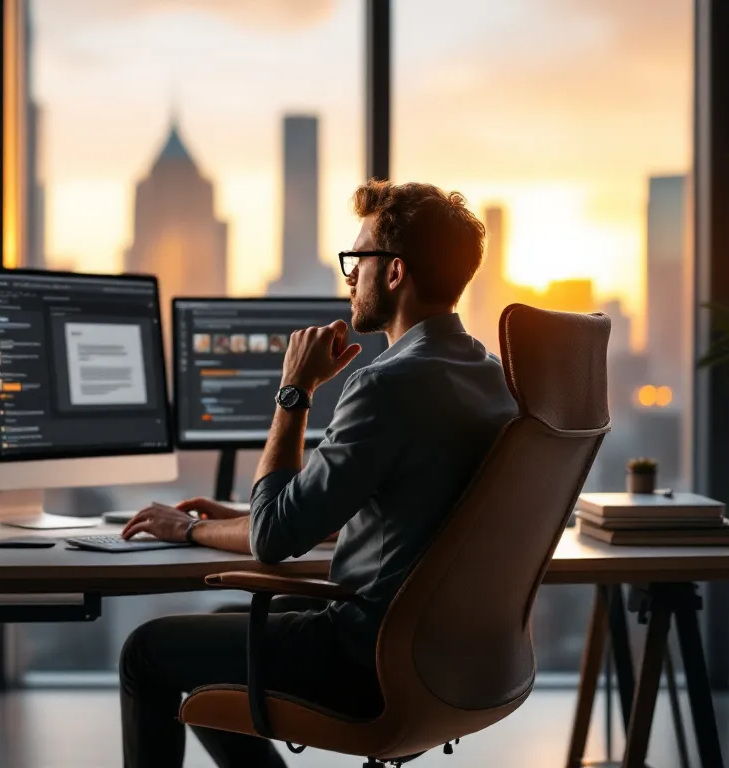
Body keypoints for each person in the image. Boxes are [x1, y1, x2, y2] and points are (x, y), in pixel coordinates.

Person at [118, 181, 519, 768]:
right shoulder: (490, 376)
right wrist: (219, 524)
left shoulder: (389, 385)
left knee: (146, 652)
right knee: (226, 627)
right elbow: (415, 519)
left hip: (370, 657)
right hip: (455, 657)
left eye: (358, 260)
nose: (349, 276)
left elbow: (275, 538)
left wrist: (295, 392)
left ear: (395, 272)